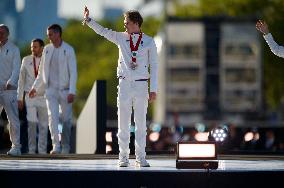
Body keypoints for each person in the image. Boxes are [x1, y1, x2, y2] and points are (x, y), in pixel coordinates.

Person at [83, 6, 158, 167]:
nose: (125, 25)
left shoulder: (149, 41)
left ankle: (141, 157)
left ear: (136, 23)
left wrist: (153, 90)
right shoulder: (120, 37)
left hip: (141, 85)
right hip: (124, 83)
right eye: (124, 23)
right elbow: (103, 31)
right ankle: (123, 156)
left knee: (141, 124)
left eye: (127, 23)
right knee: (122, 123)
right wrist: (89, 21)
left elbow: (155, 66)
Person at [29, 24, 77, 154]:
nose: (48, 37)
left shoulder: (68, 49)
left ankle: (66, 146)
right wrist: (35, 87)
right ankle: (56, 145)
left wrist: (72, 91)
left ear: (57, 34)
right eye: (48, 34)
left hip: (66, 90)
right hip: (50, 90)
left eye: (50, 34)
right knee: (53, 117)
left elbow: (73, 72)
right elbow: (41, 72)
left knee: (66, 120)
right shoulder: (47, 50)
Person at [17, 38, 48, 154]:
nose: (32, 49)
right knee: (31, 123)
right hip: (29, 96)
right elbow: (21, 80)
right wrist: (19, 98)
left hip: (43, 96)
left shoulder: (47, 60)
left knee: (44, 124)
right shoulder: (26, 60)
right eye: (31, 47)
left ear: (41, 48)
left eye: (35, 47)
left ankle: (42, 150)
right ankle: (31, 150)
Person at [0, 24, 21, 155]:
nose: (0, 34)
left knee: (12, 118)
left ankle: (16, 147)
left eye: (2, 32)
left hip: (9, 89)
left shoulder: (13, 49)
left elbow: (16, 68)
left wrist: (11, 82)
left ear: (7, 34)